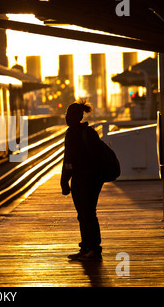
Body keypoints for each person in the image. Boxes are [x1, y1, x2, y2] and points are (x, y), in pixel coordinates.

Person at [61, 100, 104, 261]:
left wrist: (64, 181)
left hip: (86, 179)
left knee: (87, 214)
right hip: (85, 179)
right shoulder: (87, 132)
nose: (66, 118)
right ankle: (87, 247)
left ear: (76, 116)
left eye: (69, 115)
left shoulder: (76, 134)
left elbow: (68, 160)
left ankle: (93, 248)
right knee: (84, 214)